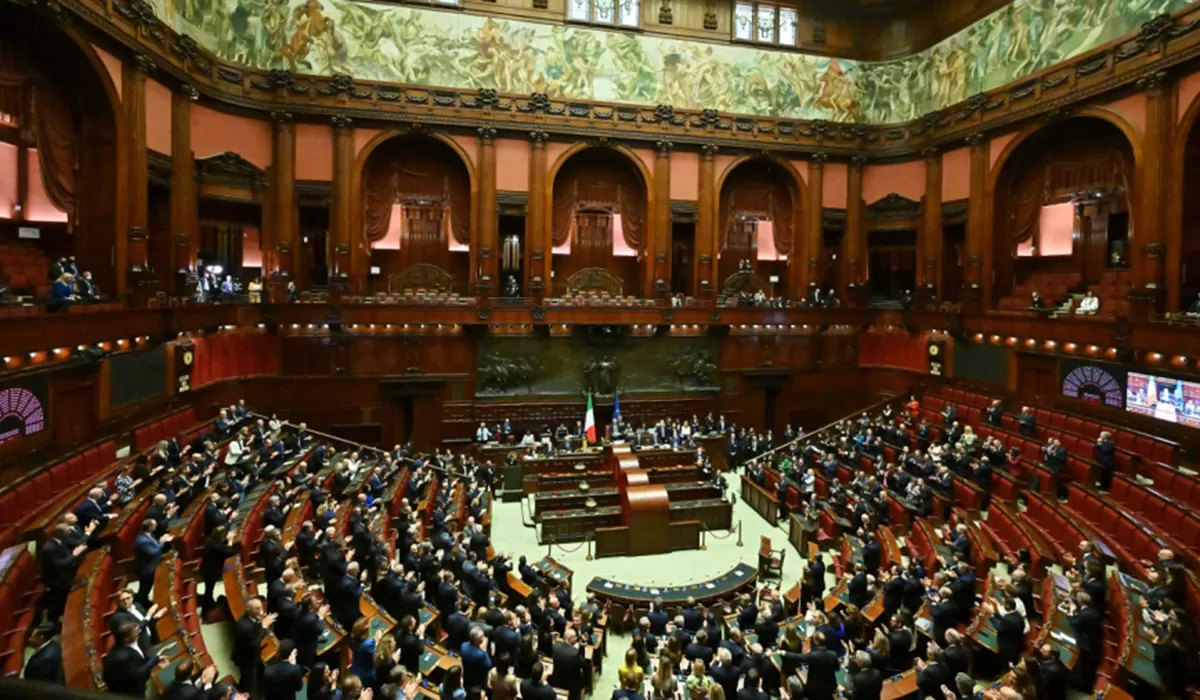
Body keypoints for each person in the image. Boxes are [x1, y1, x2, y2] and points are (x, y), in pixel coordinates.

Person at [102, 621, 169, 695]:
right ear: (126, 639)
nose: (140, 631)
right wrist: (155, 659)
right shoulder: (122, 657)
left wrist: (156, 661)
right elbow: (138, 674)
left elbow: (139, 658)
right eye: (136, 631)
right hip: (130, 692)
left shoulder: (126, 643)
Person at [234, 597, 276, 694]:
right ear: (249, 610)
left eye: (260, 607)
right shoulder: (244, 626)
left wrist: (263, 621)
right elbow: (255, 643)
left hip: (251, 654)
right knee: (248, 681)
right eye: (257, 609)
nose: (261, 611)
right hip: (246, 658)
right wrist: (264, 627)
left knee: (250, 677)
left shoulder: (250, 616)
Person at [133, 518, 172, 608]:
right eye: (154, 525)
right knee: (145, 588)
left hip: (152, 565)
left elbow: (155, 545)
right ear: (150, 527)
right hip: (148, 568)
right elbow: (153, 552)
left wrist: (161, 540)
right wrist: (162, 542)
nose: (156, 526)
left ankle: (144, 601)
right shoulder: (142, 540)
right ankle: (141, 605)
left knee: (146, 587)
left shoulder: (148, 535)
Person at [551, 628, 588, 700]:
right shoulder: (575, 653)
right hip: (572, 685)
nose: (577, 638)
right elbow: (584, 664)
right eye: (575, 637)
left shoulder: (555, 646)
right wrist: (580, 649)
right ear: (570, 638)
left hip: (557, 680)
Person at [460, 626, 493, 692]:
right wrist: (484, 650)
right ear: (476, 640)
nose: (484, 638)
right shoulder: (481, 654)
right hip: (479, 680)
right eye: (482, 637)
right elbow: (489, 665)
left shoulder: (463, 645)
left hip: (466, 676)